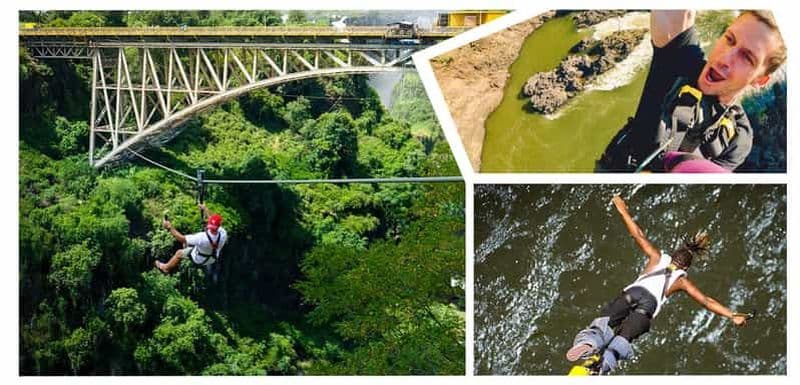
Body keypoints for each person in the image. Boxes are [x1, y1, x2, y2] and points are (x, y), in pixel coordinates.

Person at [566, 195, 748, 374]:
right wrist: (732, 315)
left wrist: (622, 210)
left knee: (601, 324)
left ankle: (589, 343)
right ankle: (599, 367)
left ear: (673, 255)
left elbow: (637, 234)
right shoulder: (681, 280)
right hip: (648, 308)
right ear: (685, 267)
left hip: (633, 293)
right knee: (622, 341)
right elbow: (706, 301)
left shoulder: (657, 257)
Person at [597, 10, 786, 172]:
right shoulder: (681, 59)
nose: (725, 59)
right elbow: (674, 13)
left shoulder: (739, 138)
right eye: (729, 39)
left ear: (760, 80)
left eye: (746, 57)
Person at [156, 204, 227, 274]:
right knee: (188, 244)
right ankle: (188, 249)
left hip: (199, 259)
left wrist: (169, 227)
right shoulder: (223, 233)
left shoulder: (201, 237)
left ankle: (166, 268)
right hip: (212, 258)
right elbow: (212, 220)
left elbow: (182, 239)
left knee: (179, 252)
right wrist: (205, 209)